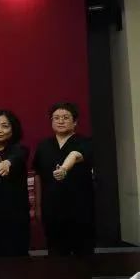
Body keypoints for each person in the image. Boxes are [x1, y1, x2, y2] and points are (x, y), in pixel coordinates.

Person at [33, 102, 94, 256]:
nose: (60, 121)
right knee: (56, 255)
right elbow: (38, 176)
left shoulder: (85, 142)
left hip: (80, 209)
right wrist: (38, 206)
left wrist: (64, 169)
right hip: (52, 209)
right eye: (56, 118)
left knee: (83, 255)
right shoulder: (43, 146)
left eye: (66, 117)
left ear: (75, 122)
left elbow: (75, 155)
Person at [0, 109, 30, 257]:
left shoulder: (19, 149)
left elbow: (18, 157)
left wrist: (8, 163)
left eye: (5, 126)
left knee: (16, 260)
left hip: (14, 216)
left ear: (13, 129)